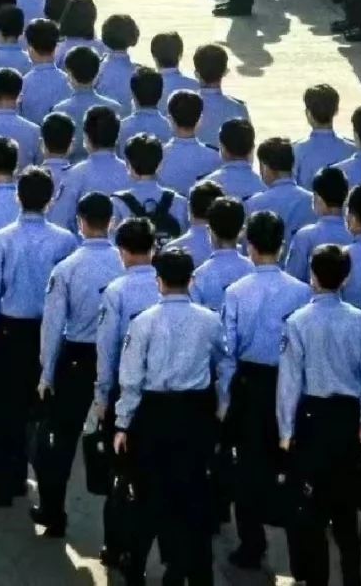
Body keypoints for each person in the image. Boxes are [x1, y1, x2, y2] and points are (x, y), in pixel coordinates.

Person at [113, 246, 225, 586]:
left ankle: (135, 569)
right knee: (191, 496)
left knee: (147, 496)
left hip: (153, 414)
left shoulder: (143, 322)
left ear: (158, 282)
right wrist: (220, 408)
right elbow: (222, 364)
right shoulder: (210, 320)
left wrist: (122, 423)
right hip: (195, 415)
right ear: (191, 281)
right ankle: (184, 570)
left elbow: (131, 379)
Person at [0, 165, 76, 507]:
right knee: (40, 411)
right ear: (51, 200)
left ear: (18, 197)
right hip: (48, 331)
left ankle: (4, 484)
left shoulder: (2, 239)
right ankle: (38, 480)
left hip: (9, 331)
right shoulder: (65, 240)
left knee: (4, 410)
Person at [277, 243, 361, 586]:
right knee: (345, 510)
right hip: (346, 417)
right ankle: (352, 579)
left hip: (311, 417)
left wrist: (285, 430)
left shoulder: (298, 322)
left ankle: (315, 579)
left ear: (312, 275)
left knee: (311, 509)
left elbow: (289, 383)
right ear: (345, 277)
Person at [219, 209, 311, 570]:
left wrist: (224, 399)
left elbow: (228, 352)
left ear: (250, 246)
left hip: (249, 385)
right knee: (292, 465)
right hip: (291, 380)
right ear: (282, 245)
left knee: (248, 467)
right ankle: (299, 553)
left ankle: (251, 543)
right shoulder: (302, 291)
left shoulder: (237, 291)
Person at [34, 190, 123, 536]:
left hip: (76, 357)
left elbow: (53, 326)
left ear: (80, 223)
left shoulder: (67, 268)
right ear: (111, 222)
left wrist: (46, 372)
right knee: (119, 442)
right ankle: (117, 538)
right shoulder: (123, 264)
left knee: (59, 440)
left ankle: (53, 512)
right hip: (115, 359)